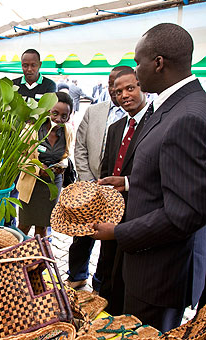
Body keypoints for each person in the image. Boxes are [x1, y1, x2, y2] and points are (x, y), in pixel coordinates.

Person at [93, 23, 206, 333]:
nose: (135, 70)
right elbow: (169, 174)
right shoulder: (173, 104)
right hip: (147, 266)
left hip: (158, 274)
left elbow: (185, 212)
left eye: (139, 61)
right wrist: (128, 183)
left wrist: (118, 232)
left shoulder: (188, 115)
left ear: (158, 63)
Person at [67, 66, 130, 291]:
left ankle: (101, 285)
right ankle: (77, 275)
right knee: (81, 237)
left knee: (110, 242)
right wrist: (88, 181)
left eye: (121, 84)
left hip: (119, 192)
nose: (115, 89)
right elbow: (80, 147)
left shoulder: (137, 115)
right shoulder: (94, 111)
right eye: (111, 83)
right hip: (89, 186)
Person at [98, 68, 148, 315]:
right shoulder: (116, 127)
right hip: (110, 210)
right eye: (118, 92)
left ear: (142, 86)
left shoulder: (155, 124)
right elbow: (107, 166)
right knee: (108, 264)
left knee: (128, 270)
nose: (124, 95)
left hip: (139, 211)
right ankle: (106, 310)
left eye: (131, 88)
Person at [17, 92, 73, 238]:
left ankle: (39, 257)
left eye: (63, 116)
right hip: (32, 184)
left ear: (69, 117)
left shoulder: (67, 132)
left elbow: (66, 155)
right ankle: (18, 255)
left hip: (52, 185)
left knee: (42, 228)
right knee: (23, 225)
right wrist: (38, 169)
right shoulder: (32, 130)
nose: (58, 119)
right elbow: (19, 158)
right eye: (55, 113)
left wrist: (61, 165)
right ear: (48, 111)